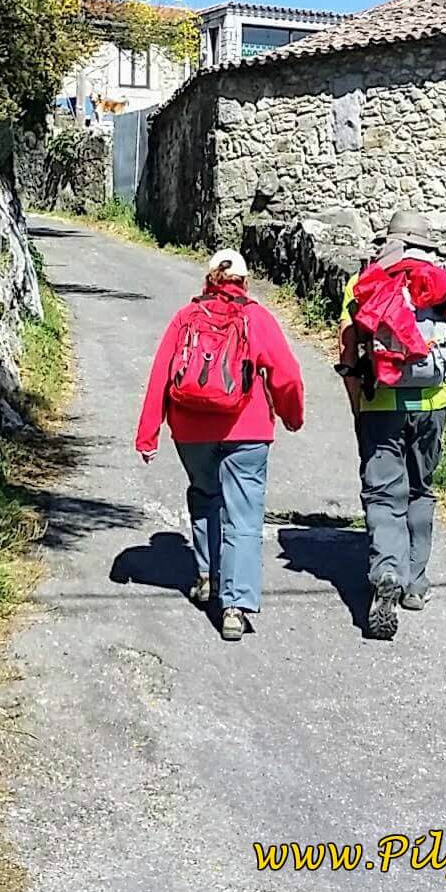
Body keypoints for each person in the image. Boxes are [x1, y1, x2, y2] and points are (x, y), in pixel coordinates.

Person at [136, 249, 306, 641]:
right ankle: (235, 607)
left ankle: (208, 576)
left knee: (205, 495)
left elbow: (161, 374)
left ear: (209, 280)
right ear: (244, 283)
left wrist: (148, 434)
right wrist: (291, 415)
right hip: (248, 431)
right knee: (244, 518)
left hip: (191, 431)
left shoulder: (186, 318)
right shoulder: (257, 317)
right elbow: (288, 375)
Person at [336, 210, 446, 640]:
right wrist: (444, 393)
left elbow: (347, 354)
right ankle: (415, 585)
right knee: (420, 489)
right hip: (431, 404)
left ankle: (386, 573)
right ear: (427, 244)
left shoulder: (364, 283)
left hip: (381, 402)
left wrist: (360, 406)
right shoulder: (445, 285)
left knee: (383, 496)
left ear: (389, 241)